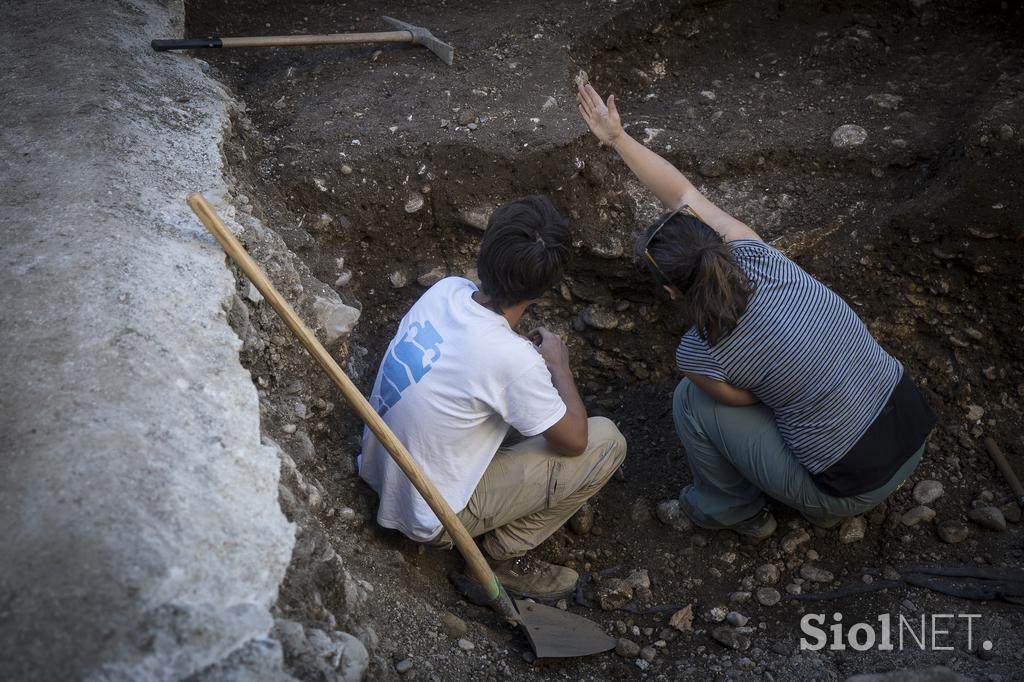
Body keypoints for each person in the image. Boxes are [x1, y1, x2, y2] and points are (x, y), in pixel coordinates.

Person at [577, 84, 936, 538]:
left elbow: (750, 402)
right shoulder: (759, 254)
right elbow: (683, 192)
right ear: (715, 242)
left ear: (671, 292)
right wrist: (617, 138)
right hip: (912, 430)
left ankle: (730, 509)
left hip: (854, 489)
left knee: (691, 401)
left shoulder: (702, 353)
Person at [358, 196, 627, 598]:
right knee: (606, 440)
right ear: (543, 290)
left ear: (484, 252)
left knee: (518, 415)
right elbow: (575, 442)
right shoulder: (512, 359)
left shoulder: (446, 291)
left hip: (379, 470)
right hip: (430, 514)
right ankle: (504, 556)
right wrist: (560, 367)